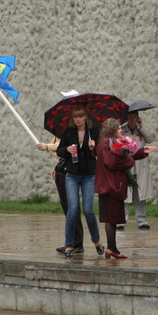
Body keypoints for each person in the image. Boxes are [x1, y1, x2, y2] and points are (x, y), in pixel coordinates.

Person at [95, 117, 157, 259]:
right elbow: (113, 162)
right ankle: (112, 248)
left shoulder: (113, 143)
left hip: (113, 186)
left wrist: (142, 151)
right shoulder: (106, 143)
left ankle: (112, 248)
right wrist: (129, 161)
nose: (121, 130)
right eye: (118, 128)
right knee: (111, 218)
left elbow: (126, 156)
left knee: (113, 218)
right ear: (111, 130)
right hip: (110, 186)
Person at [55, 104, 104, 257]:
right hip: (72, 175)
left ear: (85, 117)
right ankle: (69, 245)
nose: (78, 119)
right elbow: (59, 150)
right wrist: (67, 150)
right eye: (75, 116)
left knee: (88, 210)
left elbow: (102, 151)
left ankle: (97, 241)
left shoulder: (94, 132)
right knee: (72, 210)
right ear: (73, 118)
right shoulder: (69, 132)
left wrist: (94, 147)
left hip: (89, 175)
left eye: (80, 116)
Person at [36, 135, 85, 254]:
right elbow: (61, 153)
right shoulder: (58, 132)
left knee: (71, 206)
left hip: (68, 172)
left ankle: (76, 242)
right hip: (62, 169)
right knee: (67, 206)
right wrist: (57, 166)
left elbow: (64, 147)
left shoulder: (70, 130)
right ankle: (73, 241)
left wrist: (47, 146)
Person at [121, 108, 156, 229]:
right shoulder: (123, 130)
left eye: (134, 117)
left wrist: (142, 126)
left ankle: (142, 221)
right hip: (127, 165)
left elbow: (151, 138)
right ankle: (121, 221)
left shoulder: (140, 130)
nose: (132, 120)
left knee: (139, 195)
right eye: (130, 117)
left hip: (140, 167)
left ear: (137, 118)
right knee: (125, 195)